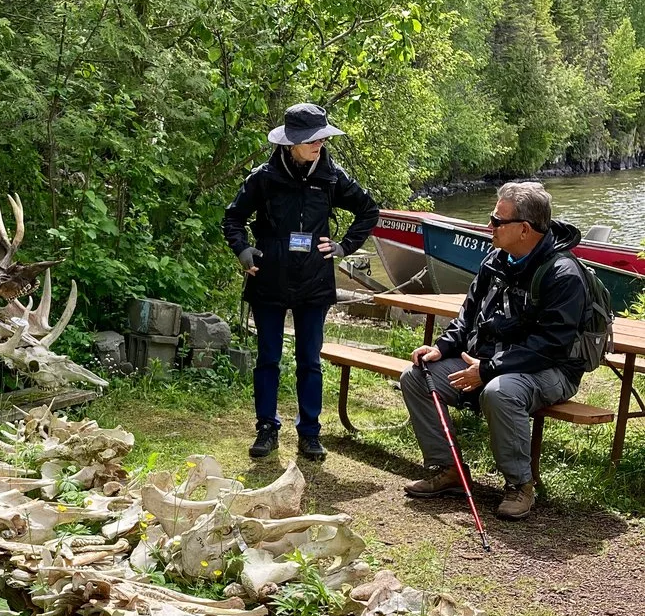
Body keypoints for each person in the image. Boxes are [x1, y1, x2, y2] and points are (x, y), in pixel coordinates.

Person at [400, 180, 587, 521]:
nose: (489, 226)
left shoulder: (563, 274)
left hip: (552, 370)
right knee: (416, 376)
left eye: (497, 221)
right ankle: (449, 469)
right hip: (491, 361)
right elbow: (467, 316)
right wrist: (442, 348)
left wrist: (487, 370)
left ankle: (519, 485)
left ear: (524, 229)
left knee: (501, 392)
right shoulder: (495, 260)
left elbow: (550, 346)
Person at [223, 103, 378, 460]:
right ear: (291, 142)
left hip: (314, 279)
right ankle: (266, 428)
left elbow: (369, 210)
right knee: (268, 358)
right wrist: (244, 252)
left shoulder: (333, 176)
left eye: (322, 137)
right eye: (312, 139)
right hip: (270, 277)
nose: (319, 144)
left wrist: (343, 246)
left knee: (310, 359)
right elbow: (233, 219)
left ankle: (309, 432)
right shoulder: (263, 177)